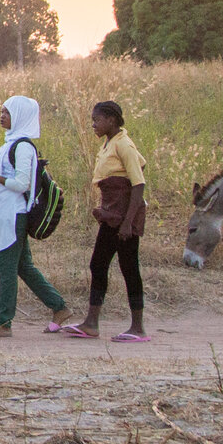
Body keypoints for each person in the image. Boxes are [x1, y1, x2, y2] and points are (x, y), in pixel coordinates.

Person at [0, 95, 69, 337]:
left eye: (7, 112)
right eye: (2, 111)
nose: (2, 115)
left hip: (15, 214)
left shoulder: (23, 146)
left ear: (20, 117)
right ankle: (59, 308)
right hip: (5, 211)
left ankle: (4, 322)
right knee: (24, 267)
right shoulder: (10, 143)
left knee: (7, 267)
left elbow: (22, 184)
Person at [70, 100, 149, 342]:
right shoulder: (110, 143)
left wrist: (128, 222)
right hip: (111, 215)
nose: (93, 124)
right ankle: (91, 323)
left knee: (128, 269)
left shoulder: (123, 144)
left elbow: (138, 184)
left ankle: (137, 328)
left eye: (97, 120)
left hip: (123, 219)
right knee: (99, 264)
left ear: (112, 120)